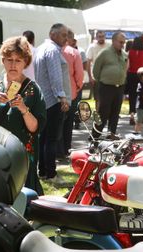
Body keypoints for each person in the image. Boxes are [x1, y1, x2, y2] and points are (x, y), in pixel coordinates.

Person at [0, 36, 46, 195]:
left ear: (25, 62)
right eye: (9, 59)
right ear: (3, 61)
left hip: (21, 157)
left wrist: (23, 109)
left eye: (18, 60)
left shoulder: (33, 90)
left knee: (21, 199)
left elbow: (35, 128)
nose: (13, 65)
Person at [34, 23, 70, 186]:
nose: (66, 38)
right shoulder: (53, 50)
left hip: (43, 99)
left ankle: (42, 171)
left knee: (43, 139)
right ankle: (50, 173)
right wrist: (62, 96)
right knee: (51, 139)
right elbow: (55, 76)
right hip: (53, 100)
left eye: (67, 35)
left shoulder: (41, 48)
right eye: (63, 35)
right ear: (52, 34)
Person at [91, 31, 128, 140]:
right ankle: (95, 134)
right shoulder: (104, 53)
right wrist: (101, 81)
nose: (122, 44)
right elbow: (96, 70)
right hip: (106, 86)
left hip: (119, 87)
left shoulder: (124, 54)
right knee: (103, 112)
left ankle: (112, 133)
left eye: (124, 42)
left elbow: (124, 69)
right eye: (120, 42)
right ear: (113, 41)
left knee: (116, 112)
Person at [60, 29, 84, 157]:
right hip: (71, 91)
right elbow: (79, 74)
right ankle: (65, 149)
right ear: (69, 39)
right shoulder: (74, 53)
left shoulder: (55, 50)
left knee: (57, 122)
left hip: (55, 93)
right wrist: (78, 86)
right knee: (68, 123)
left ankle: (57, 149)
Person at [126, 36, 143, 125]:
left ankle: (132, 115)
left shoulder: (130, 52)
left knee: (132, 96)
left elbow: (127, 66)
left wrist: (125, 75)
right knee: (142, 96)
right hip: (142, 75)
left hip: (131, 75)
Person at [86, 30, 108, 108]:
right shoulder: (92, 47)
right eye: (99, 37)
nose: (101, 38)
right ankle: (98, 115)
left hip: (108, 77)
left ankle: (106, 115)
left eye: (102, 36)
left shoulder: (109, 46)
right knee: (97, 98)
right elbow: (88, 63)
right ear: (96, 37)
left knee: (107, 97)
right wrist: (90, 77)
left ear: (105, 37)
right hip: (96, 77)